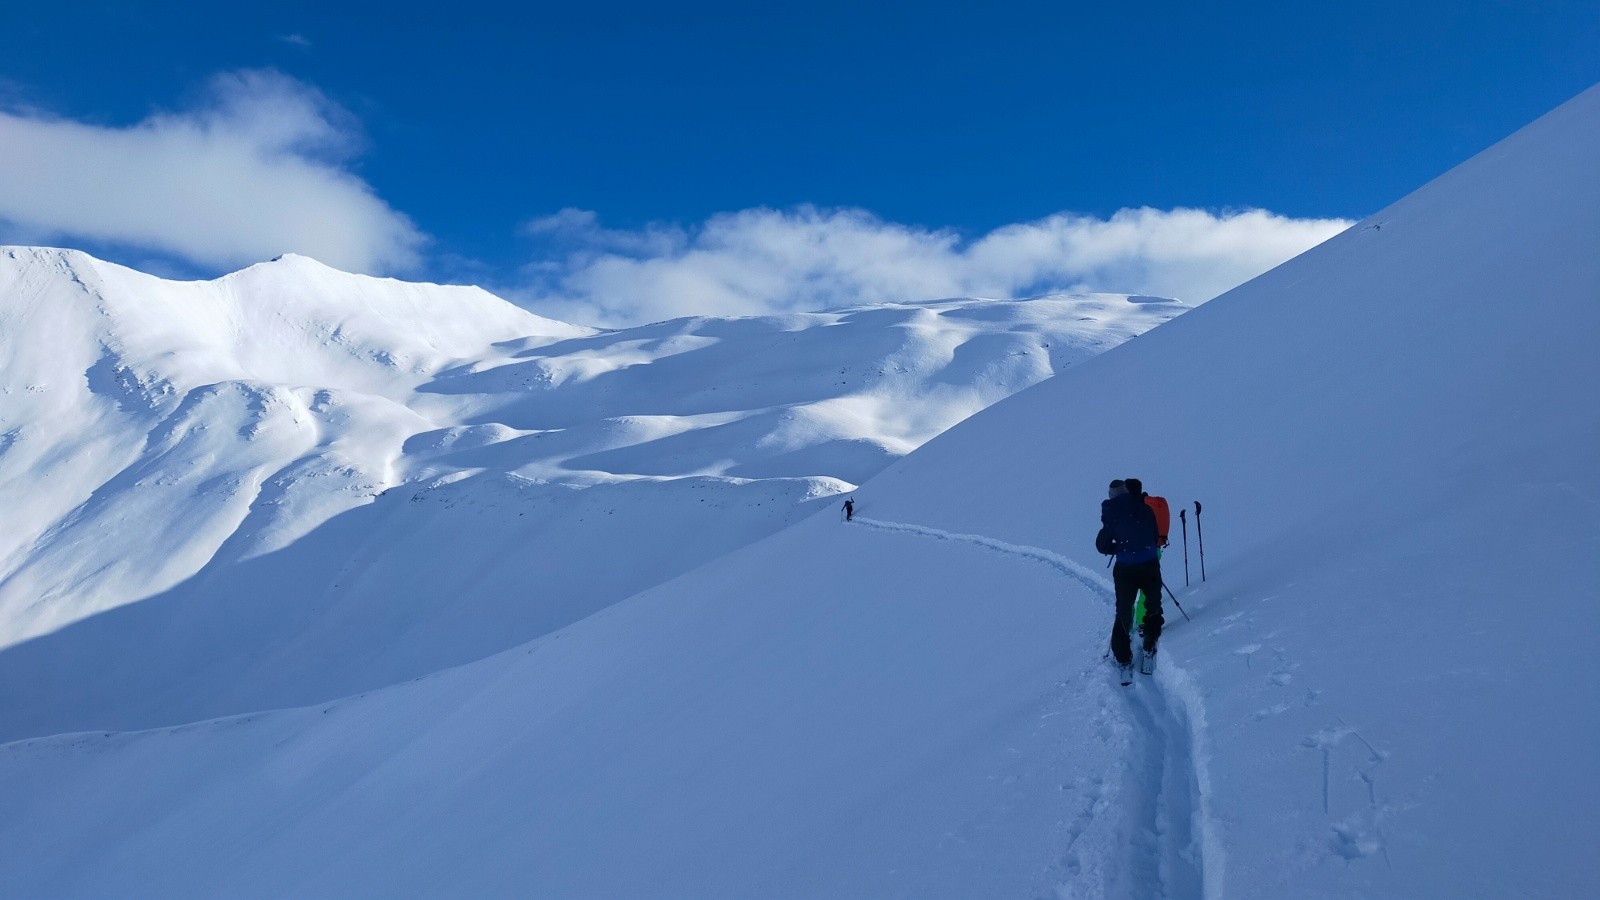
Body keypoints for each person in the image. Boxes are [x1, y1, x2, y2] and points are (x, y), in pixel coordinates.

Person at [1096, 478, 1165, 680]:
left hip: (1125, 568)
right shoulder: (1145, 507)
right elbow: (1154, 535)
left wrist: (1118, 547)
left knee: (1124, 610)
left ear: (1111, 495)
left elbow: (1101, 545)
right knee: (1153, 605)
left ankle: (1123, 658)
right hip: (1149, 564)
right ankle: (1149, 645)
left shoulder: (1111, 513)